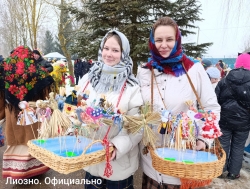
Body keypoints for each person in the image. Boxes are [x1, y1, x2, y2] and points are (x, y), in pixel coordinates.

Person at [137, 16, 221, 188]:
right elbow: (138, 108)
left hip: (183, 158)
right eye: (159, 40)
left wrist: (204, 139)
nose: (164, 45)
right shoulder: (145, 71)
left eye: (169, 39)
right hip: (151, 160)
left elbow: (211, 108)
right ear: (152, 42)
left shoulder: (193, 69)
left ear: (177, 40)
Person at [77, 30, 143, 189]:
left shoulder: (131, 86)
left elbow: (137, 126)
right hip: (91, 159)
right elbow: (77, 109)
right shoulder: (88, 79)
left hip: (118, 163)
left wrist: (117, 146)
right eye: (106, 48)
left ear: (124, 53)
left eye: (115, 50)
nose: (109, 54)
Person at [0, 46, 55, 179]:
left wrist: (2, 114)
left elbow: (1, 100)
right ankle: (36, 170)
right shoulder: (40, 74)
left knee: (17, 142)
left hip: (13, 118)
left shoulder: (6, 76)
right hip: (34, 118)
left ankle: (19, 172)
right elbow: (48, 98)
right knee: (34, 140)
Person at [215, 53, 250, 179]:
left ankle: (220, 170)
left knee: (223, 145)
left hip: (224, 120)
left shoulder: (224, 81)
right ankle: (234, 173)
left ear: (236, 64)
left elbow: (216, 101)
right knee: (239, 146)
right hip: (244, 122)